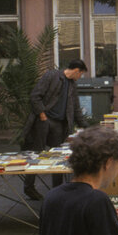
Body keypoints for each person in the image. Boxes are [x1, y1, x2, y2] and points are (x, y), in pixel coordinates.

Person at [22, 59, 88, 199]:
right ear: (77, 71)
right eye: (81, 74)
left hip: (59, 124)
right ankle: (29, 187)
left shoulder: (72, 85)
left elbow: (76, 108)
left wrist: (86, 126)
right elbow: (35, 96)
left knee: (57, 156)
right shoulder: (51, 76)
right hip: (44, 121)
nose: (80, 77)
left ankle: (57, 190)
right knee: (37, 154)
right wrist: (42, 115)